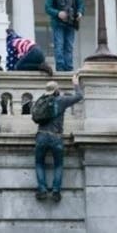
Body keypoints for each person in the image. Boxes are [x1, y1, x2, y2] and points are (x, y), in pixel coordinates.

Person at [34, 74, 83, 202]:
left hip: (41, 135)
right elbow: (79, 96)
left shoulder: (40, 101)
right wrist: (75, 83)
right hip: (56, 137)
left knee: (39, 163)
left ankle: (42, 190)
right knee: (58, 165)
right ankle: (56, 191)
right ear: (56, 90)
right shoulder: (61, 100)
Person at [44, 0, 84, 72]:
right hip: (58, 24)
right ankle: (60, 68)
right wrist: (58, 13)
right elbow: (47, 8)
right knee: (59, 45)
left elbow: (80, 4)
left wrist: (80, 13)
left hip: (71, 23)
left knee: (69, 46)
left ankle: (69, 68)